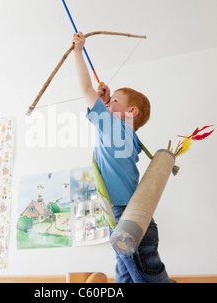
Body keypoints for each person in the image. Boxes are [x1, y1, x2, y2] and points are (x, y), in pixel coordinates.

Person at [72, 32, 175, 283]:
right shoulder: (128, 135)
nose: (106, 105)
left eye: (114, 101)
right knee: (126, 274)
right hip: (131, 214)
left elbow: (86, 89)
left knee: (142, 277)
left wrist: (78, 52)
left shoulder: (114, 127)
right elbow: (108, 114)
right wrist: (109, 100)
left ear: (131, 111)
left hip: (127, 215)